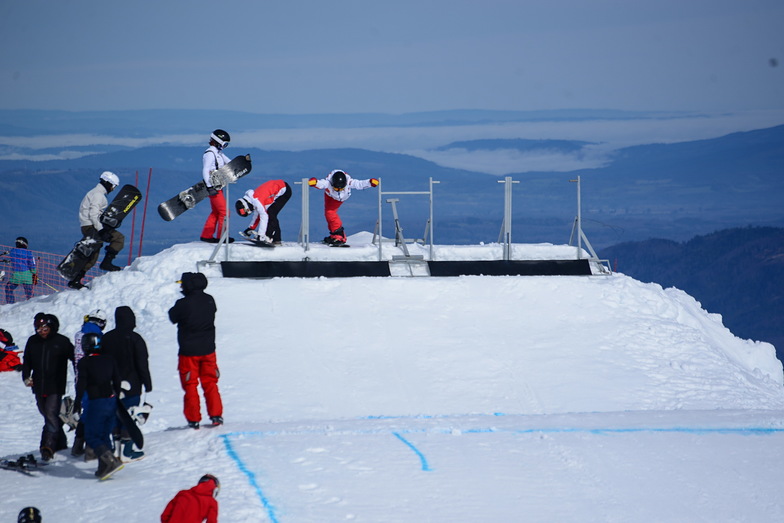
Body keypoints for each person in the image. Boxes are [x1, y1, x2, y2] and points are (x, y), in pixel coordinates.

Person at [168, 272, 223, 429]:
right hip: (208, 350)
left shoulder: (183, 304)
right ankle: (216, 415)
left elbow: (173, 317)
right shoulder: (209, 300)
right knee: (211, 382)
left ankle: (193, 419)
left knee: (190, 385)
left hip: (188, 352)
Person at [102, 305, 152, 462]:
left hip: (111, 385)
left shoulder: (106, 338)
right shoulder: (135, 338)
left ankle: (115, 450)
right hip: (132, 384)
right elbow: (142, 363)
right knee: (130, 417)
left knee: (115, 416)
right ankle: (127, 451)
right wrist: (147, 383)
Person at [21, 313, 74, 461]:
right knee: (48, 415)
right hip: (38, 386)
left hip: (55, 386)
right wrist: (26, 377)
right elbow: (27, 361)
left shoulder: (62, 341)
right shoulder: (32, 341)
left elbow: (75, 359)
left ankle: (47, 447)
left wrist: (82, 374)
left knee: (51, 415)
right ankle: (61, 442)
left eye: (44, 329)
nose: (41, 332)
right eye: (38, 329)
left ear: (51, 327)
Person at [73, 332, 124, 479]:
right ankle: (104, 467)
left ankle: (110, 461)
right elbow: (117, 380)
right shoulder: (110, 359)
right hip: (111, 400)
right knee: (104, 434)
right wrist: (116, 396)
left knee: (92, 436)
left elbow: (81, 384)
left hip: (97, 401)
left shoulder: (85, 362)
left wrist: (77, 402)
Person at [69, 171, 125, 289]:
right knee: (119, 238)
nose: (113, 189)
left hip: (88, 225)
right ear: (108, 183)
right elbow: (94, 215)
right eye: (114, 186)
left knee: (92, 255)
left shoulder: (94, 193)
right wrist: (101, 230)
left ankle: (75, 280)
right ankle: (107, 263)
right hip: (92, 226)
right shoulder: (98, 195)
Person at [71, 309, 108, 458]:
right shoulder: (98, 337)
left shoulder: (78, 334)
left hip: (80, 377)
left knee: (86, 410)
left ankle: (78, 444)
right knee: (95, 412)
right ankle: (91, 448)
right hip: (95, 378)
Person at [308, 170, 379, 245]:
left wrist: (370, 182)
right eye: (336, 189)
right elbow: (322, 184)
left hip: (339, 199)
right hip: (329, 195)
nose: (339, 190)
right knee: (328, 214)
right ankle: (334, 235)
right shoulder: (329, 182)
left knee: (330, 213)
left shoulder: (349, 182)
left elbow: (359, 184)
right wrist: (315, 183)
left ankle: (339, 236)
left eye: (341, 189)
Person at [200, 129, 235, 244]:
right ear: (217, 142)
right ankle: (222, 236)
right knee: (225, 212)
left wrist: (242, 162)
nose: (225, 147)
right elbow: (205, 170)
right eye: (224, 144)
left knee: (216, 212)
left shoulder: (218, 153)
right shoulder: (210, 154)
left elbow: (229, 163)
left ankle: (207, 235)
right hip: (214, 186)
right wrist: (209, 187)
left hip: (218, 185)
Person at [235, 179, 292, 245]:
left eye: (244, 211)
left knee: (271, 213)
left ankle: (271, 237)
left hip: (284, 190)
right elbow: (257, 215)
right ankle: (275, 238)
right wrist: (250, 228)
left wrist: (261, 235)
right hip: (277, 189)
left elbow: (264, 216)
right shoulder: (254, 200)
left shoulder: (257, 200)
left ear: (246, 206)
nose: (248, 212)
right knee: (270, 213)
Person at [4, 236, 37, 303]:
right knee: (29, 294)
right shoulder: (29, 253)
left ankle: (10, 304)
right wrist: (34, 273)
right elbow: (32, 264)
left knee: (8, 288)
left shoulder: (13, 252)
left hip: (16, 276)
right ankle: (32, 305)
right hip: (27, 276)